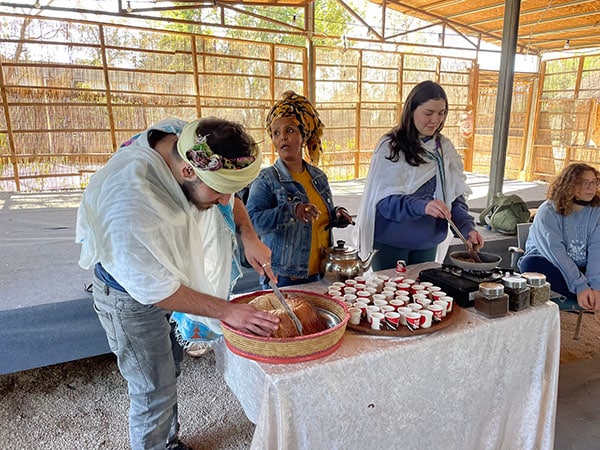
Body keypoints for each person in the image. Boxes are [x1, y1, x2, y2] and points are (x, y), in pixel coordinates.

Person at [75, 117, 280, 450]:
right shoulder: (129, 203)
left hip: (166, 277)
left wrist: (248, 235)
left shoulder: (190, 142)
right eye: (217, 194)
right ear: (188, 172)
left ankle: (168, 441)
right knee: (152, 390)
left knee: (169, 371)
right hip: (130, 297)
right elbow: (158, 291)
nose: (223, 202)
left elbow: (229, 198)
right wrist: (228, 311)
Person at [353, 80, 483, 269]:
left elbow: (453, 198)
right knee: (390, 296)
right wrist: (422, 206)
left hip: (427, 243)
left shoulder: (443, 149)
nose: (435, 120)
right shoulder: (391, 147)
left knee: (424, 296)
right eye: (428, 113)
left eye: (441, 113)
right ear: (411, 110)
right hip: (391, 242)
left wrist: (466, 228)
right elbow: (383, 202)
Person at [245, 90, 353, 288]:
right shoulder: (267, 179)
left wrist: (336, 214)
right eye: (276, 133)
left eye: (290, 130)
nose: (282, 138)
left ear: (304, 136)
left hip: (321, 273)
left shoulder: (318, 177)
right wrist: (292, 211)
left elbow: (319, 216)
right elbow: (252, 223)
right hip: (285, 277)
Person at [518, 163, 600, 311]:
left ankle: (588, 294)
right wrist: (580, 285)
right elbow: (556, 252)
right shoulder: (548, 211)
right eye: (584, 183)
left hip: (582, 267)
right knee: (530, 265)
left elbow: (597, 248)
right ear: (569, 184)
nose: (591, 187)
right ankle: (582, 294)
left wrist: (596, 285)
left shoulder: (596, 211)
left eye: (594, 182)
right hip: (552, 263)